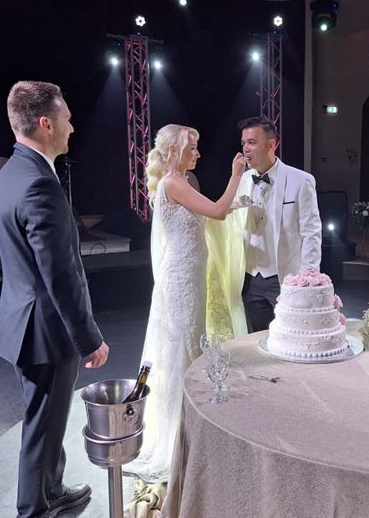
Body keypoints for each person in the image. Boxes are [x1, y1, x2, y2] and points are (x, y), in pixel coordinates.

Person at [0, 81, 110, 518]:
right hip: (44, 331)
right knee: (42, 427)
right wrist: (89, 339)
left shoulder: (9, 175)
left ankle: (52, 490)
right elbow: (59, 275)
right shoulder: (39, 184)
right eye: (67, 118)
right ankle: (34, 510)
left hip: (22, 322)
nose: (72, 127)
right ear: (46, 123)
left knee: (48, 419)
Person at [124, 124, 246, 483]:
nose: (198, 154)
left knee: (189, 345)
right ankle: (177, 438)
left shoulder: (182, 182)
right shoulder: (174, 183)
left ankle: (189, 428)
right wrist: (236, 175)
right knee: (180, 350)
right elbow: (217, 212)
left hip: (190, 277)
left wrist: (235, 204)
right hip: (181, 280)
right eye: (193, 148)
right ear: (175, 150)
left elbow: (209, 213)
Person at [233, 117, 322, 332]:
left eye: (252, 142)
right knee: (257, 337)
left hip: (285, 277)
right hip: (249, 278)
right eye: (243, 143)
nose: (246, 149)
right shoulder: (241, 180)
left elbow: (311, 232)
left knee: (293, 335)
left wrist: (309, 277)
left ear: (271, 145)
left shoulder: (301, 180)